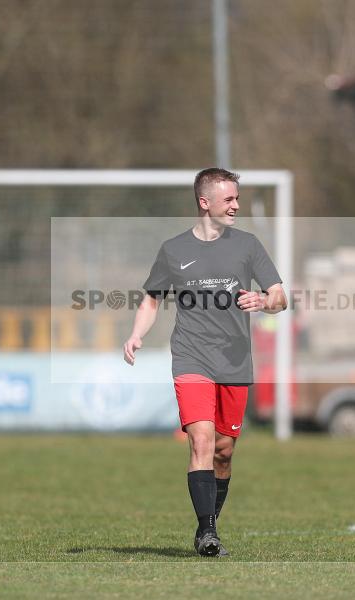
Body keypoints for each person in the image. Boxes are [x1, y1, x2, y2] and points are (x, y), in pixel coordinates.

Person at [123, 167, 287, 557]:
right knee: (201, 438)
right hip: (191, 356)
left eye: (236, 199)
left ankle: (209, 524)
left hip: (234, 359)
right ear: (204, 202)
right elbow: (151, 299)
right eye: (229, 199)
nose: (236, 205)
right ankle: (207, 531)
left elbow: (280, 296)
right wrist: (136, 334)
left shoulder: (248, 246)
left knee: (224, 451)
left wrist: (264, 302)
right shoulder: (173, 250)